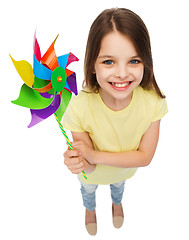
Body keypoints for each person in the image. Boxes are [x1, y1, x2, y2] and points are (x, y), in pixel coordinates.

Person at [63, 8, 168, 235]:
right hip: (92, 176)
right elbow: (89, 168)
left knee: (119, 187)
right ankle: (89, 210)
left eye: (134, 60)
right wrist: (79, 160)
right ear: (92, 64)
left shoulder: (153, 103)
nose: (122, 73)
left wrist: (94, 156)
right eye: (109, 61)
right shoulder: (79, 107)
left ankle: (116, 203)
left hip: (123, 172)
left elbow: (145, 156)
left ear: (145, 62)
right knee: (88, 191)